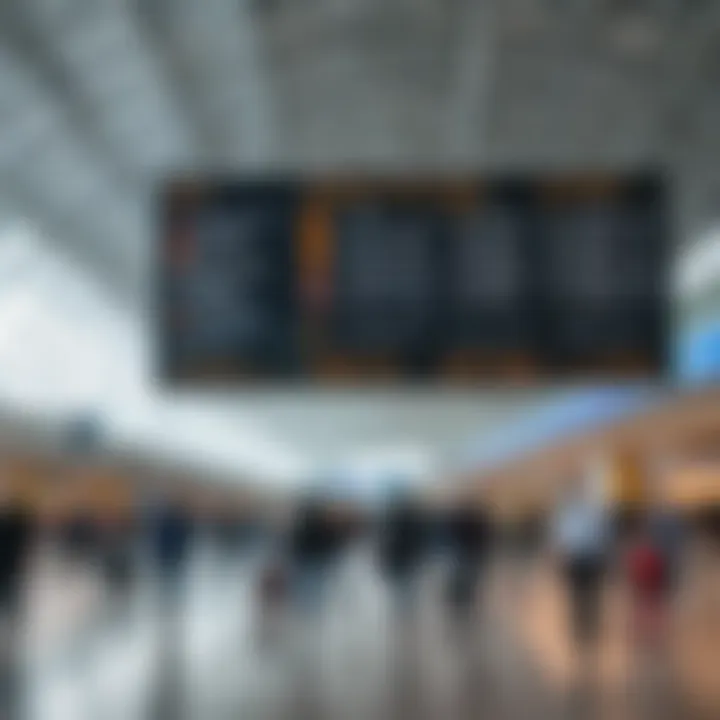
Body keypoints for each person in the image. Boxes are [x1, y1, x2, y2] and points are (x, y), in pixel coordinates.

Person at [551, 478, 610, 680]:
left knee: (586, 595)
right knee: (582, 595)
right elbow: (561, 541)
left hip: (585, 558)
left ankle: (586, 625)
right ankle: (584, 625)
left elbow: (562, 540)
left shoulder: (583, 515)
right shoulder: (579, 515)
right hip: (580, 559)